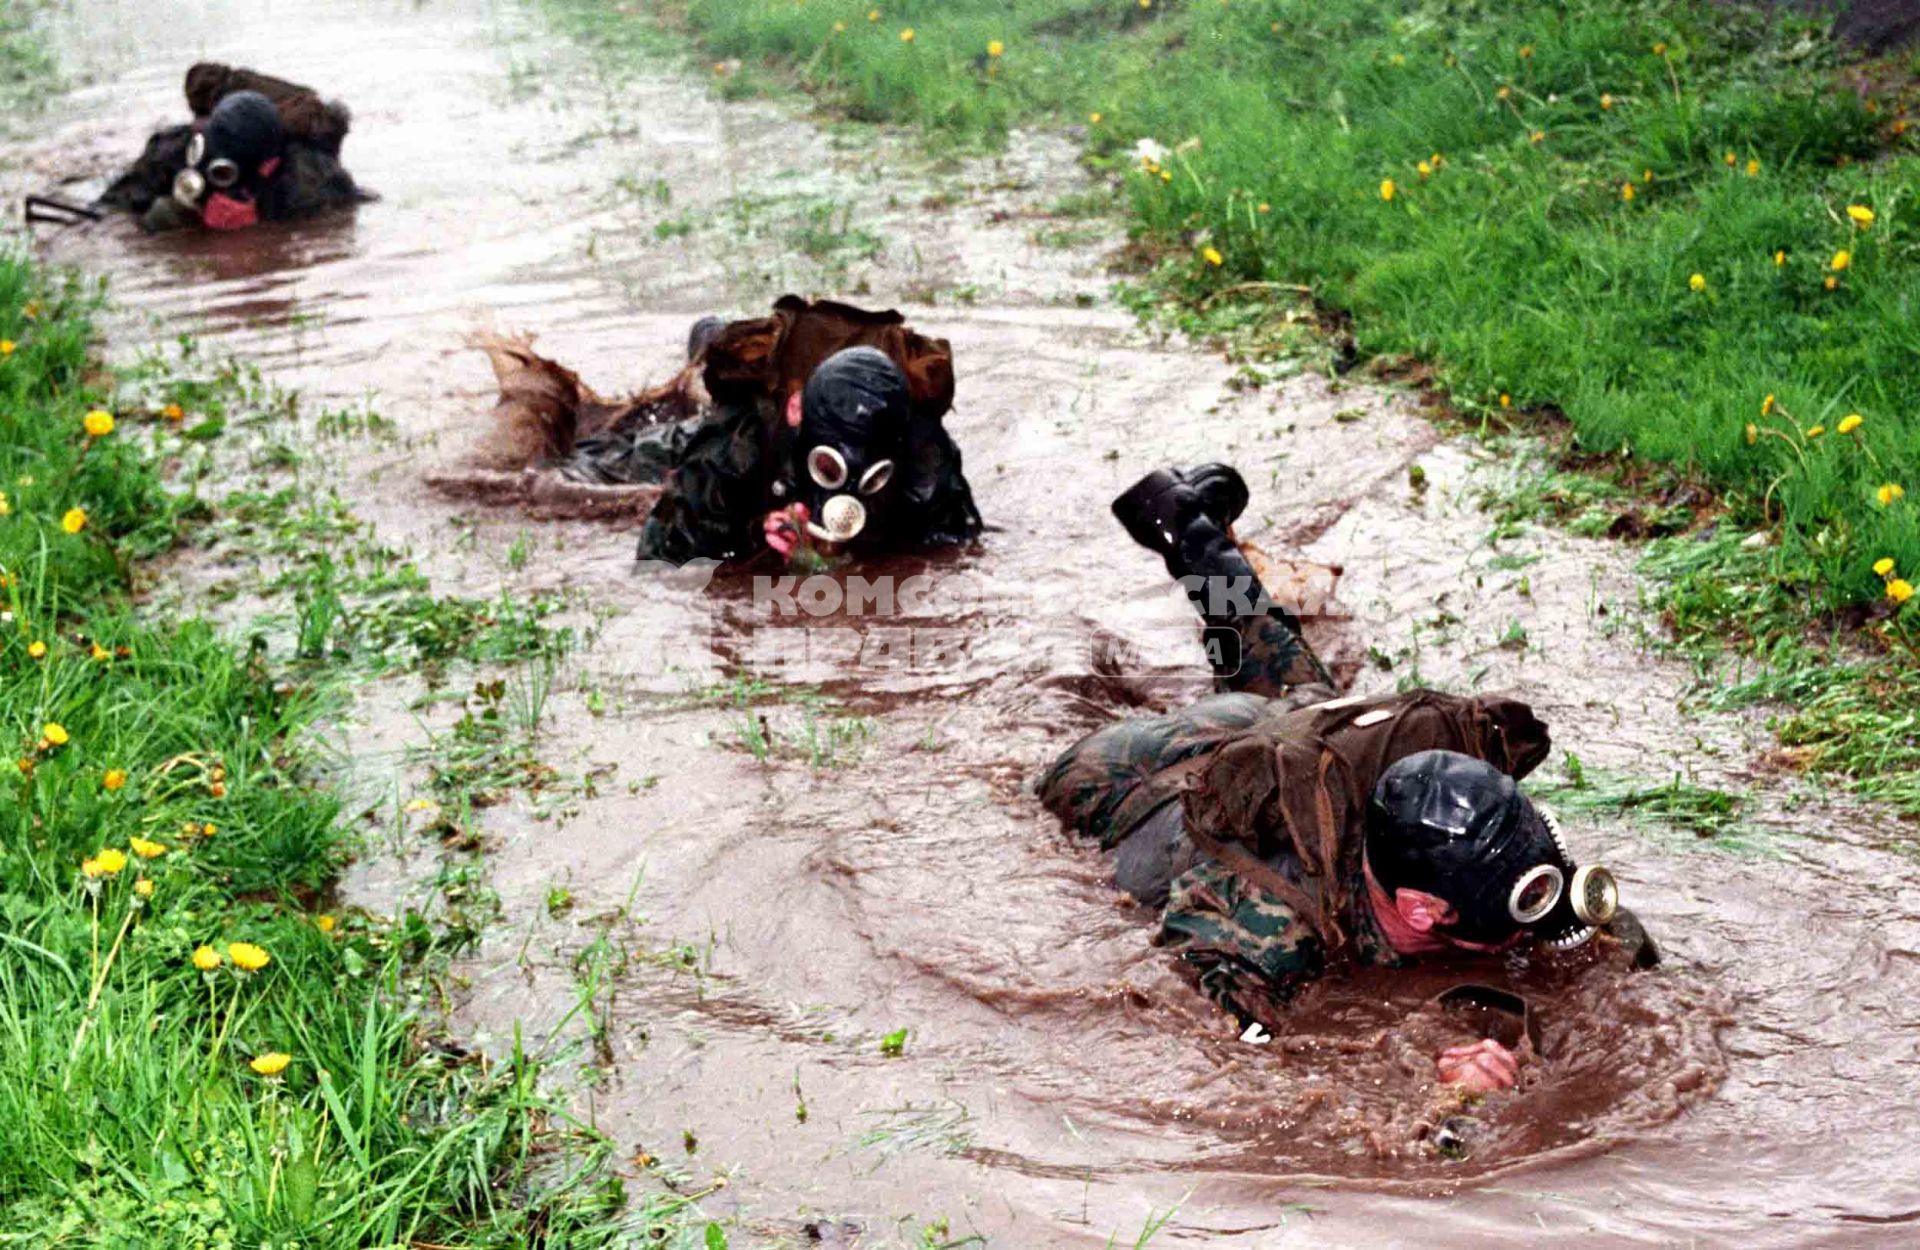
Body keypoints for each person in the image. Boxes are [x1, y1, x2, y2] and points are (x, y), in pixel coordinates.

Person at [1039, 464, 1640, 1094]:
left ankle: (1192, 532)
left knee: (1273, 659)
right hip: (1133, 779)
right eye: (1518, 916)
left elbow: (1610, 941)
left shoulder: (1476, 838)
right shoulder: (1266, 920)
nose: (1534, 925)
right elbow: (1230, 1052)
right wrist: (1420, 1086)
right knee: (1079, 779)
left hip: (1290, 733)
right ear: (1422, 909)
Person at [469, 296, 983, 565]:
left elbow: (957, 544)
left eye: (868, 476)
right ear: (797, 411)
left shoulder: (924, 457)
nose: (845, 489)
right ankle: (705, 343)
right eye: (829, 468)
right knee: (595, 459)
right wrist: (747, 532)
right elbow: (660, 553)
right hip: (743, 429)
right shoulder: (739, 442)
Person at [96, 63, 366, 233]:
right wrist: (189, 213)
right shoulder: (174, 151)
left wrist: (260, 218)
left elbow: (348, 214)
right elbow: (110, 210)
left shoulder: (310, 176)